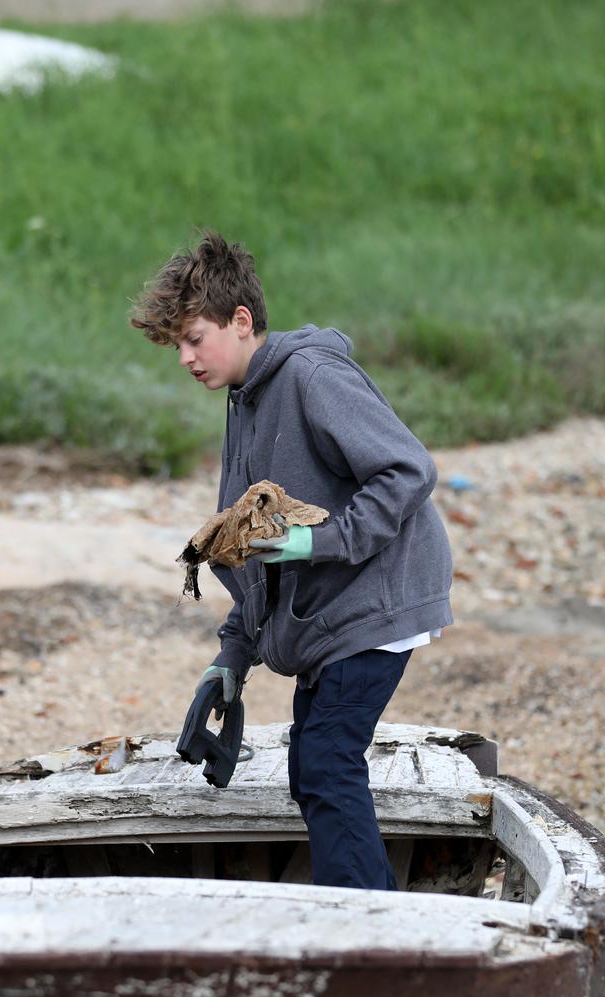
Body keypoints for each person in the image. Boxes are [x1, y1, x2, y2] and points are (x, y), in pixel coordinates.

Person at [130, 231, 453, 891]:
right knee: (314, 771)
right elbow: (251, 545)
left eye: (195, 339)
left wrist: (320, 541)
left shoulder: (311, 375)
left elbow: (407, 470)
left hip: (374, 603)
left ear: (241, 321)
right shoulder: (245, 398)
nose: (186, 358)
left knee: (328, 765)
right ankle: (364, 925)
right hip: (334, 610)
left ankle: (373, 938)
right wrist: (232, 658)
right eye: (178, 347)